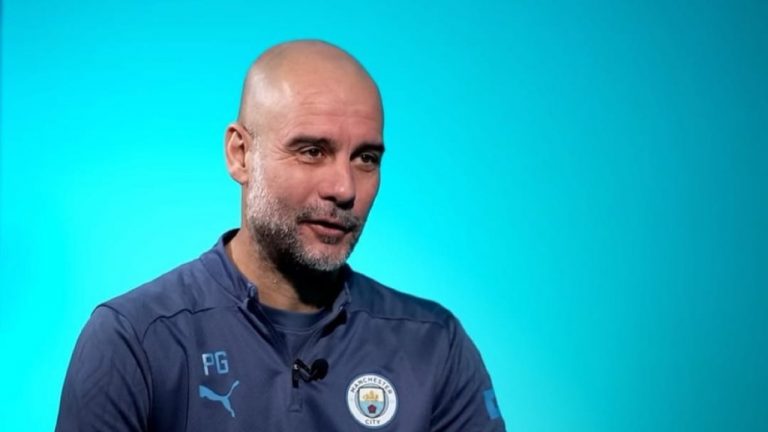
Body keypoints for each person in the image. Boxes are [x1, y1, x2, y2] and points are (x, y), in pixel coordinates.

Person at [55, 40, 505, 432]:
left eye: (365, 158)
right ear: (240, 155)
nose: (344, 188)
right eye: (312, 151)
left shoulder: (434, 346)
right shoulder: (134, 339)